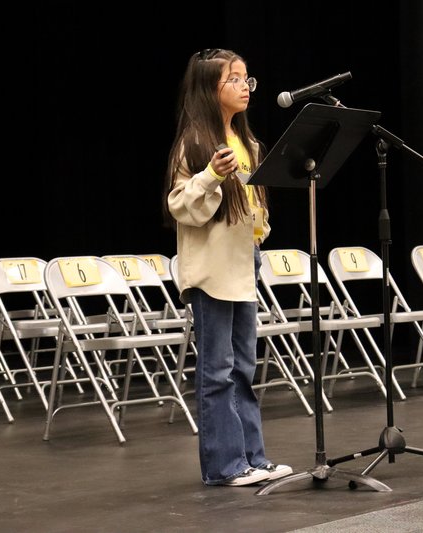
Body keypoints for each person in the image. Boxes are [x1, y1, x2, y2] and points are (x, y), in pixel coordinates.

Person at [163, 48, 293, 487]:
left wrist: (261, 229)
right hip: (212, 270)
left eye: (246, 78)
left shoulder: (249, 143)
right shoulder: (193, 142)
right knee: (217, 371)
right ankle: (224, 466)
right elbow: (179, 205)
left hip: (243, 265)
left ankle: (252, 458)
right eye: (233, 79)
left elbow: (254, 205)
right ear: (209, 88)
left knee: (243, 368)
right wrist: (210, 176)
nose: (244, 86)